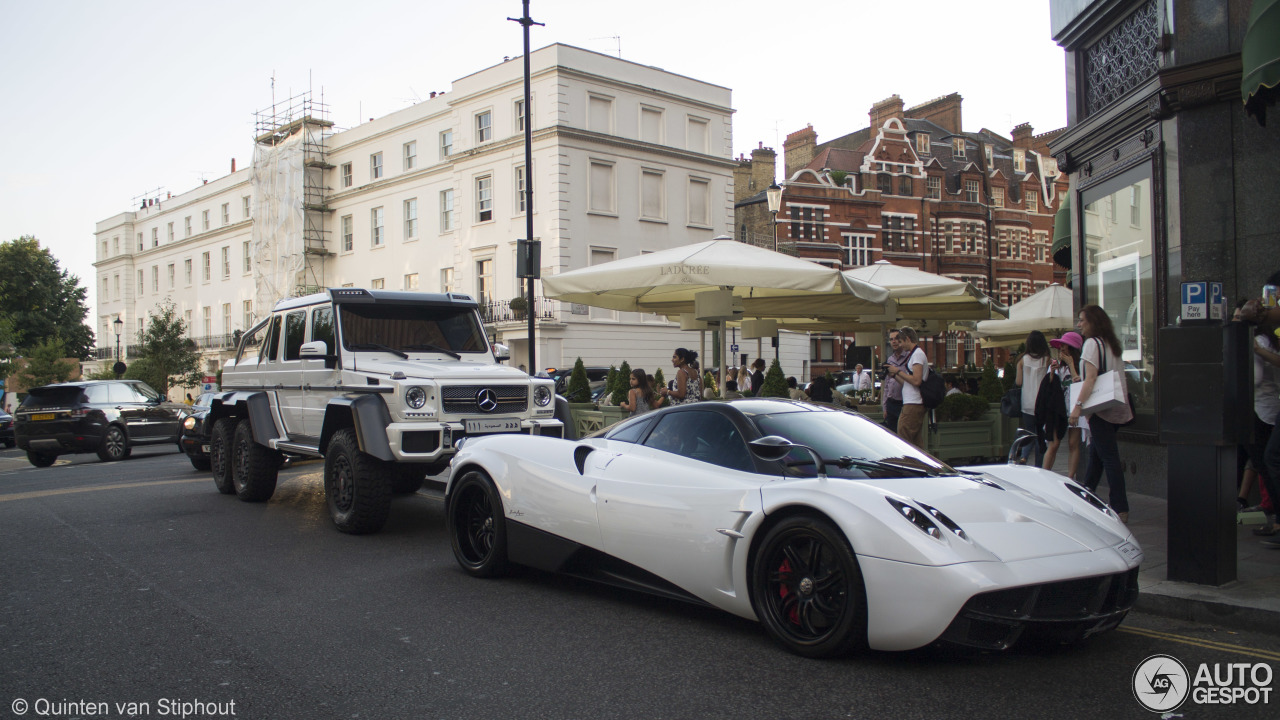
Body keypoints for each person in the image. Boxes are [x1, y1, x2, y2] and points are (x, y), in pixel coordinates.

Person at [1069, 305, 1134, 523]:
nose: (1079, 325)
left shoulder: (1091, 344)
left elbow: (1092, 378)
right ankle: (1086, 496)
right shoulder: (1111, 343)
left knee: (1108, 457)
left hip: (1099, 409)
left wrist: (1078, 406)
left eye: (1082, 321)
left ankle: (1120, 506)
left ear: (1093, 322)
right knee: (1097, 455)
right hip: (1115, 404)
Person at [1044, 331, 1085, 480]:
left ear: (1072, 348)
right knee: (1053, 444)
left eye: (1064, 346)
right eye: (1060, 347)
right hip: (1059, 409)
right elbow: (1048, 388)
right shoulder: (1056, 366)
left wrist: (1071, 365)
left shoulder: (1080, 366)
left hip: (1074, 408)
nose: (1061, 349)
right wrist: (1052, 374)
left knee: (1073, 444)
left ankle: (1070, 478)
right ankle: (1044, 476)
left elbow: (1079, 384)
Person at [887, 326, 928, 449]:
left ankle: (909, 465)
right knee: (915, 441)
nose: (900, 345)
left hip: (913, 403)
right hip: (912, 402)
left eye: (901, 341)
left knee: (904, 439)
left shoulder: (917, 355)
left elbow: (916, 380)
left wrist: (898, 371)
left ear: (908, 339)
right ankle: (923, 466)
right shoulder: (915, 354)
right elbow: (908, 383)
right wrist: (894, 375)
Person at [1016, 330, 1052, 466]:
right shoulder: (1047, 359)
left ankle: (1024, 456)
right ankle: (1038, 465)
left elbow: (1019, 382)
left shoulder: (1022, 360)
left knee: (1029, 432)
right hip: (1042, 403)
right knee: (1040, 435)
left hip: (1027, 402)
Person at [881, 329, 908, 432]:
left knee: (904, 434)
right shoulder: (890, 360)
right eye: (891, 339)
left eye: (896, 338)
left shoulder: (909, 358)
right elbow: (887, 385)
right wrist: (885, 406)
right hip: (891, 403)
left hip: (903, 403)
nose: (894, 341)